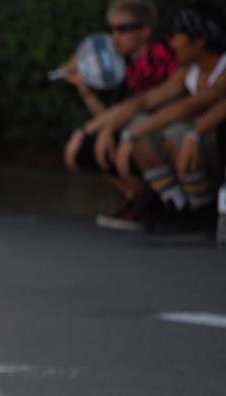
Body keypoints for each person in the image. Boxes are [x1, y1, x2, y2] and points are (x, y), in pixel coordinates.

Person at [87, 5, 226, 230]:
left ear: (198, 42)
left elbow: (188, 107)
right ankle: (177, 205)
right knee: (140, 124)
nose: (172, 43)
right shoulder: (189, 71)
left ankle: (202, 208)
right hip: (199, 140)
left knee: (174, 132)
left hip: (213, 145)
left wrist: (130, 136)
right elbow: (145, 101)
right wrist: (101, 130)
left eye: (178, 37)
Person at [63, 0, 177, 230]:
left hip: (166, 130)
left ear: (145, 31)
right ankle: (142, 199)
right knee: (90, 148)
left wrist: (88, 130)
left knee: (116, 136)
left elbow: (138, 106)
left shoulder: (160, 59)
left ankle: (171, 203)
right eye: (112, 29)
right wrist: (85, 90)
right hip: (144, 130)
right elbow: (111, 115)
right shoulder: (126, 67)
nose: (115, 36)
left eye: (123, 29)